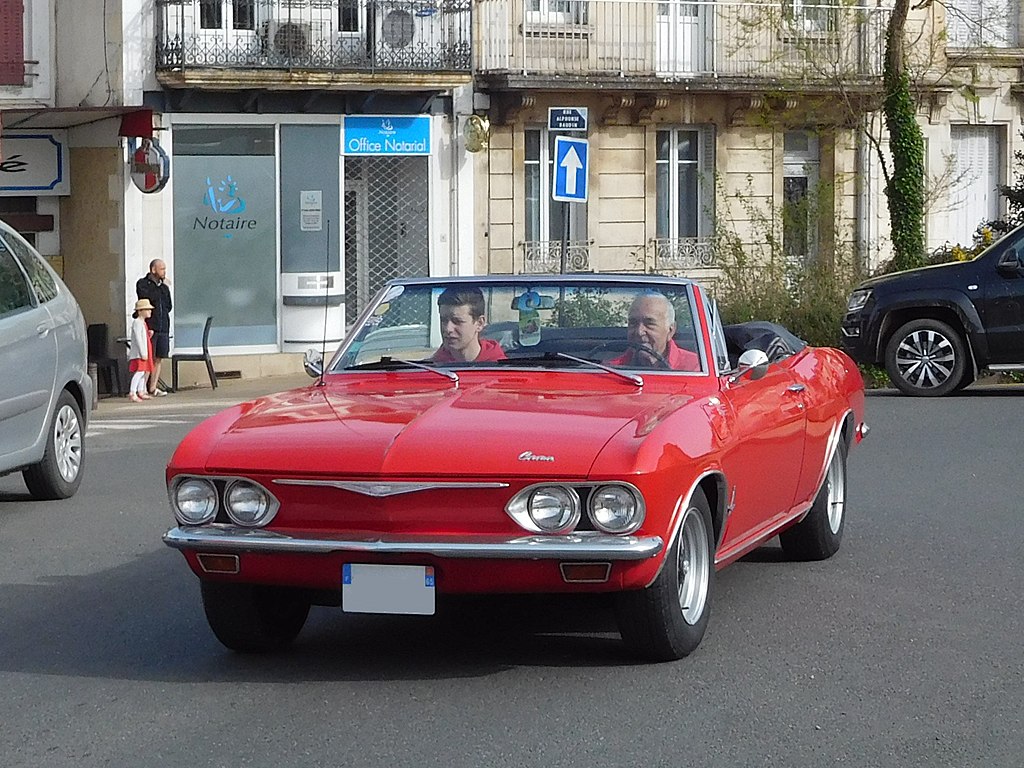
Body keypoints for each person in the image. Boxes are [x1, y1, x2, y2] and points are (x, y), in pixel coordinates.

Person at [609, 291, 700, 371]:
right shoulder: (613, 370)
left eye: (649, 324)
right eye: (633, 323)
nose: (639, 332)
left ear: (670, 330)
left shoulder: (695, 368)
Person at [430, 286, 507, 363]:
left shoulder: (501, 370)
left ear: (479, 323)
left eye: (457, 321)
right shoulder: (431, 367)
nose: (448, 329)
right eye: (443, 320)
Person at [136, 259, 172, 396]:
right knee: (148, 357)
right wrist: (158, 286)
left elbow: (168, 305)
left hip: (163, 325)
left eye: (165, 268)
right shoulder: (143, 284)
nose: (164, 271)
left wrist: (162, 286)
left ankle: (153, 386)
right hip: (151, 326)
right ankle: (142, 388)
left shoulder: (164, 287)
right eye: (161, 269)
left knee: (159, 357)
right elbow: (148, 298)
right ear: (153, 270)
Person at [127, 299, 155, 403]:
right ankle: (132, 392)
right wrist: (143, 353)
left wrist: (149, 334)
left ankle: (141, 390)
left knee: (143, 372)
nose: (150, 311)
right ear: (140, 311)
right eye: (147, 309)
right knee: (140, 372)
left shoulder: (143, 323)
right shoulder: (137, 323)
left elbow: (143, 337)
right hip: (140, 353)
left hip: (145, 351)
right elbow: (138, 338)